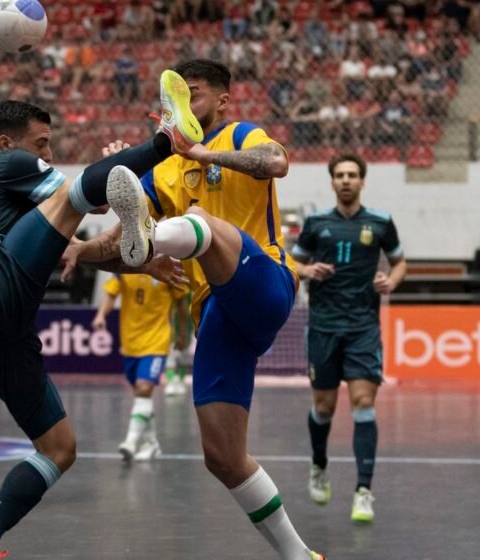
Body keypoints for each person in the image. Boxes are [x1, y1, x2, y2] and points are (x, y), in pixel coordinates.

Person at [63, 59, 326, 560]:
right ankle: (300, 555)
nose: (182, 106)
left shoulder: (243, 134)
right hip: (217, 317)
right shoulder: (164, 168)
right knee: (223, 457)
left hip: (265, 282)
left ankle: (164, 232)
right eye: (175, 99)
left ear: (222, 101)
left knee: (199, 220)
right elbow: (121, 246)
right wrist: (80, 249)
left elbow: (276, 163)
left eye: (193, 95)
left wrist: (204, 152)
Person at [0, 70, 205, 560]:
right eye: (41, 144)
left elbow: (74, 251)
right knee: (74, 194)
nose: (46, 154)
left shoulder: (7, 201)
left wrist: (141, 261)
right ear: (7, 143)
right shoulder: (5, 165)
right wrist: (124, 169)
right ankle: (170, 138)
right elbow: (81, 196)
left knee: (59, 448)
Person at [292, 153, 406, 524]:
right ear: (332, 182)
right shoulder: (315, 223)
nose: (345, 180)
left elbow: (400, 261)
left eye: (352, 175)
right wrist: (307, 270)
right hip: (323, 326)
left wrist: (391, 280)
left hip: (363, 328)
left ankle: (363, 491)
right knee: (324, 408)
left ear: (362, 181)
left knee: (362, 402)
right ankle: (319, 464)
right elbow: (290, 263)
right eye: (339, 175)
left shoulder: (381, 222)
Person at [91, 273, 188, 461]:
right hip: (130, 343)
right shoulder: (124, 268)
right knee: (140, 396)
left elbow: (182, 302)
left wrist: (182, 332)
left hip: (157, 341)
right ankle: (152, 444)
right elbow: (111, 293)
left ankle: (131, 441)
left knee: (144, 388)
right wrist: (101, 315)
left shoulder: (166, 267)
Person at [164, 292, 194, 396]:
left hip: (187, 328)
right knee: (170, 356)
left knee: (184, 356)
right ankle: (170, 381)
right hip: (170, 330)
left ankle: (181, 381)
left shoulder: (189, 292)